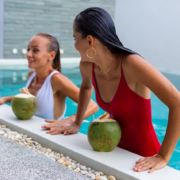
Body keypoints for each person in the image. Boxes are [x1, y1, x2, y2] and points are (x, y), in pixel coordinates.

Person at [42, 8, 180, 173]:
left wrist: (163, 156)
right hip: (113, 152)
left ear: (90, 41)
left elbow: (177, 103)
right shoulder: (87, 67)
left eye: (75, 38)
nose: (74, 45)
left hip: (146, 158)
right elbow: (86, 87)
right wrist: (77, 123)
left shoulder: (132, 65)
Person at [0, 33, 98, 124]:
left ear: (51, 55)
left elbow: (92, 106)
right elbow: (29, 98)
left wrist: (68, 121)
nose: (28, 54)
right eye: (28, 49)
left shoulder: (56, 79)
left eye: (35, 50)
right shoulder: (32, 75)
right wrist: (4, 98)